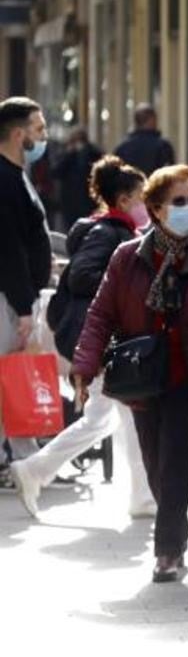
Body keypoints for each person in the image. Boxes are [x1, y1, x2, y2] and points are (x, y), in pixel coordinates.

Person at [71, 164, 188, 582]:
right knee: (155, 464)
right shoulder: (126, 258)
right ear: (154, 208)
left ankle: (167, 550)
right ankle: (179, 528)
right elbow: (101, 314)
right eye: (179, 201)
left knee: (175, 460)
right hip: (141, 378)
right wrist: (85, 365)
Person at [10, 156, 155, 518]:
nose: (146, 206)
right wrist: (127, 286)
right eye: (142, 197)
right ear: (123, 200)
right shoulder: (109, 233)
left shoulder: (116, 230)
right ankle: (141, 497)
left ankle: (33, 470)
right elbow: (82, 277)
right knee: (132, 412)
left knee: (103, 418)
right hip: (103, 336)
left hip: (102, 335)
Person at [0, 97, 52, 468]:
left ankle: (26, 461)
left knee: (13, 377)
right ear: (19, 135)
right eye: (39, 130)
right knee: (10, 375)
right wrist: (21, 307)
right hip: (8, 299)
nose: (45, 136)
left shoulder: (17, 175)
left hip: (17, 297)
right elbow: (8, 248)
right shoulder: (4, 180)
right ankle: (24, 460)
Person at [50, 127, 104, 232]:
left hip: (86, 200)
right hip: (74, 202)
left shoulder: (93, 153)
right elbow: (56, 172)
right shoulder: (68, 155)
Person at [114, 104, 175, 176]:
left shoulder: (122, 148)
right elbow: (168, 175)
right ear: (152, 119)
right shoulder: (163, 146)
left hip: (129, 186)